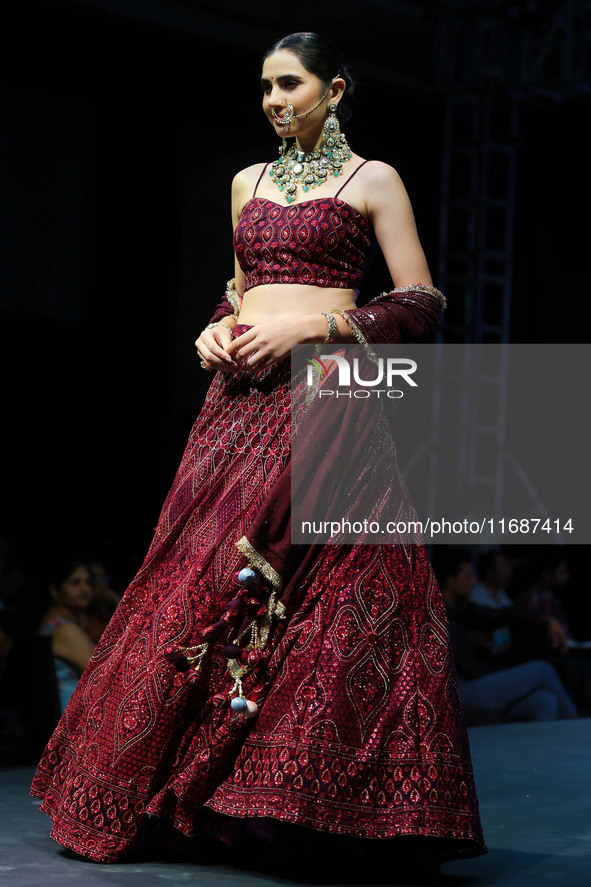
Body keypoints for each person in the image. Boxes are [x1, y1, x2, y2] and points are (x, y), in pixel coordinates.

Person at [31, 32, 486, 868]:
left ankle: (293, 805)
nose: (274, 100)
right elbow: (240, 289)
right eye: (265, 88)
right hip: (235, 406)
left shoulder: (372, 179)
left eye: (289, 84)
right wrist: (214, 328)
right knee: (196, 578)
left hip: (331, 400)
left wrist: (311, 325)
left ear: (335, 88)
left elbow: (420, 299)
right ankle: (177, 797)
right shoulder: (248, 181)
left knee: (332, 589)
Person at [436, 548, 577, 723]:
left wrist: (543, 619)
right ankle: (576, 724)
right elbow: (468, 666)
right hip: (459, 693)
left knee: (545, 700)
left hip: (477, 684)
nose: (473, 582)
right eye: (468, 576)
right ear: (450, 580)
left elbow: (501, 615)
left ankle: (540, 748)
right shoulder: (436, 616)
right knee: (543, 670)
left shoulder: (462, 610)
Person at [37, 560, 96, 713]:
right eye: (75, 583)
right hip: (72, 720)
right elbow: (104, 673)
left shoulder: (58, 623)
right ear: (56, 590)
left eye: (87, 582)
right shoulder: (63, 629)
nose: (84, 588)